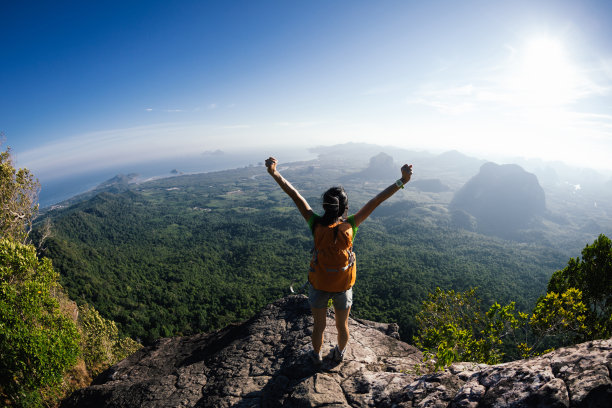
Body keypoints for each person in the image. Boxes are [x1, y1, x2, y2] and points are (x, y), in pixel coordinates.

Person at [265, 156, 413, 365]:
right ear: (344, 207)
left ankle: (315, 356)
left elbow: (294, 194)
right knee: (342, 326)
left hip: (319, 283)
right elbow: (377, 200)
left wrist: (274, 172)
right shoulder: (352, 224)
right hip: (343, 285)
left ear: (325, 207)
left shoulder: (314, 222)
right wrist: (402, 181)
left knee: (319, 326)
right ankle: (340, 353)